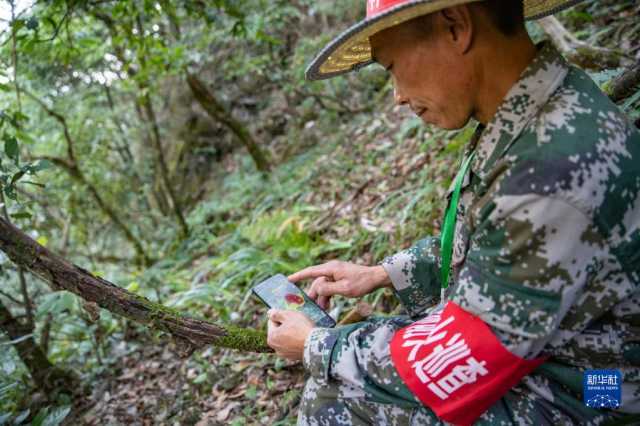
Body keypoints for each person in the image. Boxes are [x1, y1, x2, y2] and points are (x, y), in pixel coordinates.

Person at [266, 0, 640, 424]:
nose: (398, 97)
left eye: (391, 67)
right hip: (569, 360)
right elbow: (500, 247)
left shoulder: (551, 170)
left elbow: (460, 359)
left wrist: (317, 344)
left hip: (600, 390)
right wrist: (382, 274)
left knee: (333, 399)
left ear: (455, 26)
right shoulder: (538, 117)